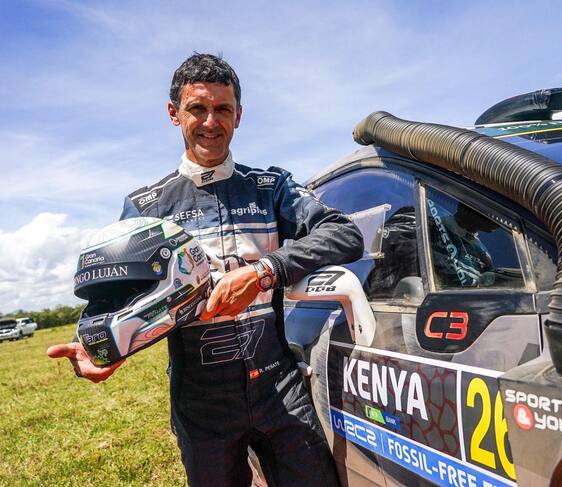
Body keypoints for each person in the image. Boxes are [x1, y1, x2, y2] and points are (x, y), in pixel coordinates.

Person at [47, 53, 363, 487]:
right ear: (174, 113)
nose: (211, 122)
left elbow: (344, 234)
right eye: (197, 108)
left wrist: (264, 271)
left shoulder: (270, 187)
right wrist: (102, 347)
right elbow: (115, 300)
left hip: (281, 388)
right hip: (200, 403)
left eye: (223, 109)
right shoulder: (146, 207)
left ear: (239, 115)